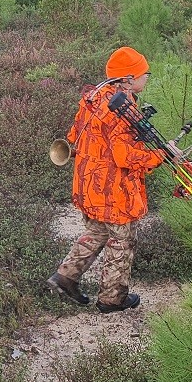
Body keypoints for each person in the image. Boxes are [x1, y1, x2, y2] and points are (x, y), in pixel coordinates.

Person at [47, 46, 166, 313]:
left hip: (89, 182)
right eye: (144, 73)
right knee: (122, 241)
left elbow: (74, 136)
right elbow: (125, 157)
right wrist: (159, 154)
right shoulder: (121, 109)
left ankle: (65, 277)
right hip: (114, 189)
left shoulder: (93, 97)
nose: (147, 76)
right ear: (127, 79)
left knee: (98, 231)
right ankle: (112, 299)